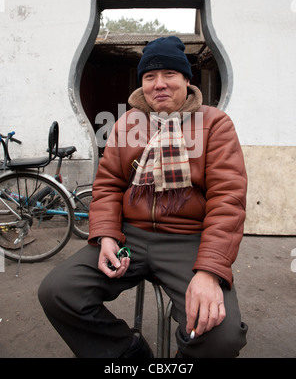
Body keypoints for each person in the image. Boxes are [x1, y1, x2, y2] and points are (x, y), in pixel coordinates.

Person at [38, 36, 248, 358]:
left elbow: (227, 200)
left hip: (188, 241)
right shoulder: (127, 124)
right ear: (142, 84)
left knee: (222, 336)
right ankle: (129, 354)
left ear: (186, 79)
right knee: (58, 292)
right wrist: (106, 235)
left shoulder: (214, 124)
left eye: (169, 75)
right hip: (130, 237)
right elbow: (107, 185)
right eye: (150, 77)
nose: (159, 84)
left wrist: (209, 271)